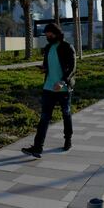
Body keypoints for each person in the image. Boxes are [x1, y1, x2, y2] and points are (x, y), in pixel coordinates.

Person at [22, 23, 76, 159]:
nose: (47, 36)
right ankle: (37, 148)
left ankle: (68, 140)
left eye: (49, 34)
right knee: (44, 118)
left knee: (66, 114)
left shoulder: (67, 47)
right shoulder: (48, 48)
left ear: (56, 33)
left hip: (63, 88)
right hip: (48, 88)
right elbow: (49, 65)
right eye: (46, 35)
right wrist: (44, 69)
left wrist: (63, 82)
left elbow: (72, 68)